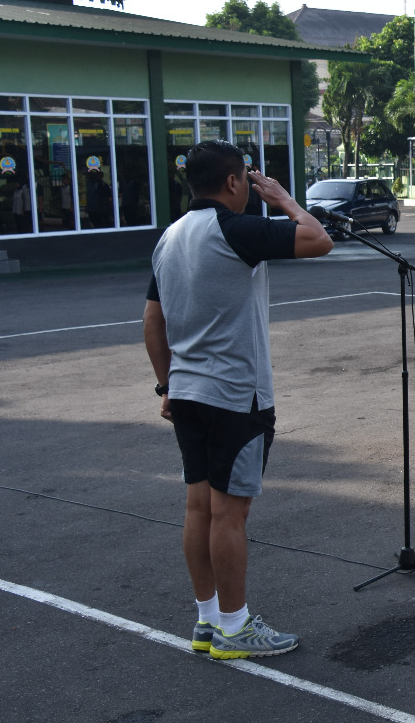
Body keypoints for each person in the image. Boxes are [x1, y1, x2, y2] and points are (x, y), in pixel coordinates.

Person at [143, 139, 332, 659]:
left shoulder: (169, 237)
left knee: (199, 506)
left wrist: (166, 386)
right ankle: (235, 625)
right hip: (234, 396)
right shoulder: (233, 229)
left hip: (188, 392)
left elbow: (152, 322)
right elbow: (319, 239)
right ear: (233, 182)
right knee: (230, 513)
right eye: (247, 178)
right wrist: (285, 201)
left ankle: (208, 620)